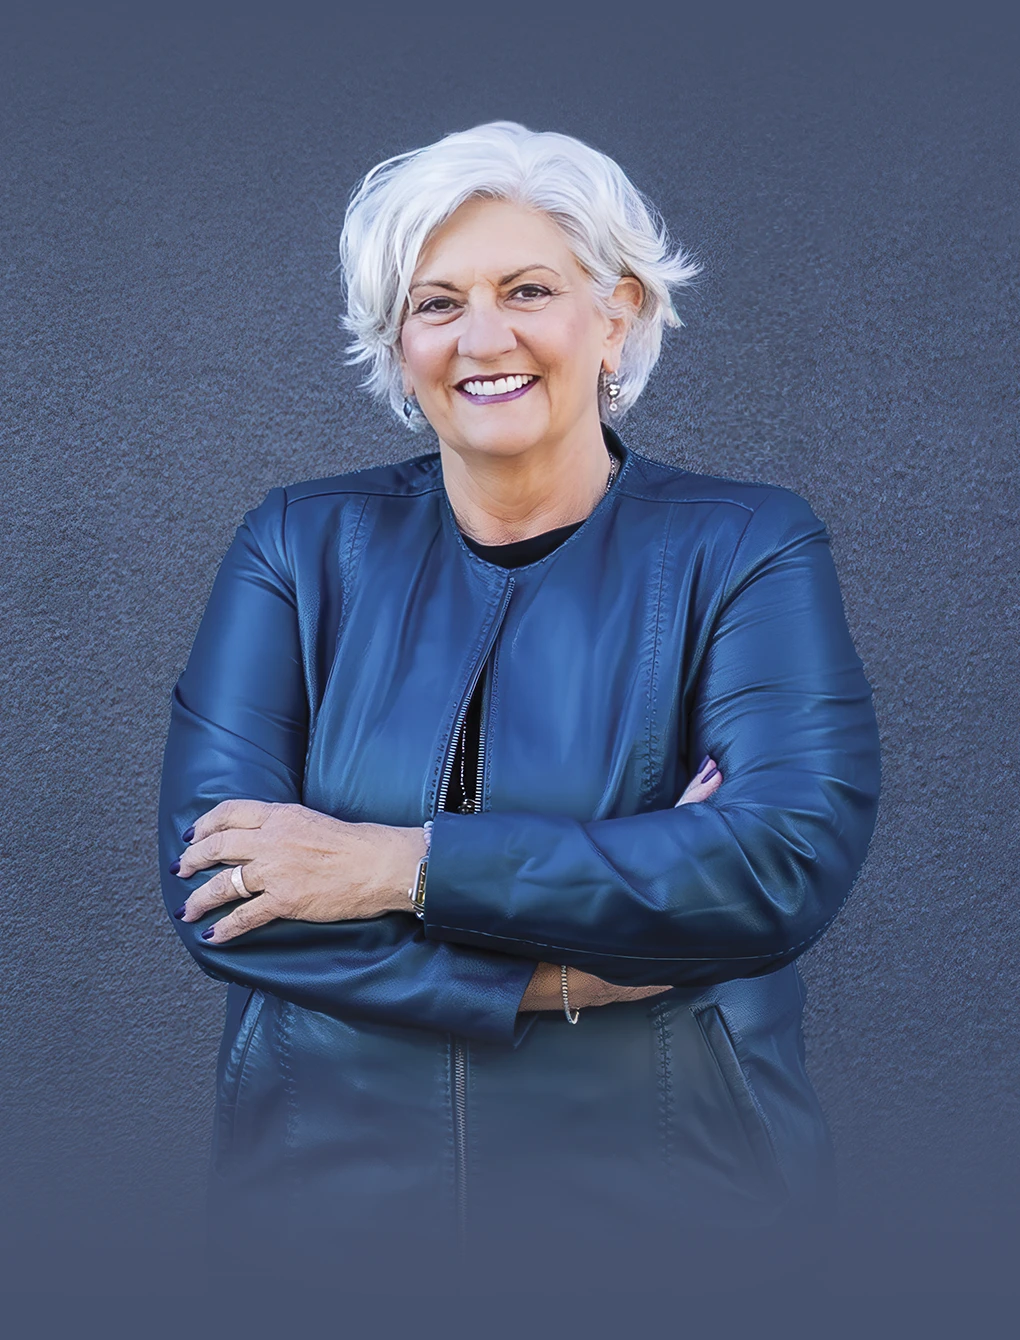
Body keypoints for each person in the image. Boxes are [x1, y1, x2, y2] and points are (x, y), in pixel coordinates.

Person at [158, 121, 880, 1298]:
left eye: (527, 289)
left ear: (619, 315)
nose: (481, 338)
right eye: (435, 303)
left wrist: (391, 864)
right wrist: (556, 980)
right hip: (318, 1209)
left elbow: (771, 866)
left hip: (670, 1209)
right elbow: (218, 887)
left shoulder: (745, 546)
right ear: (396, 348)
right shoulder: (295, 545)